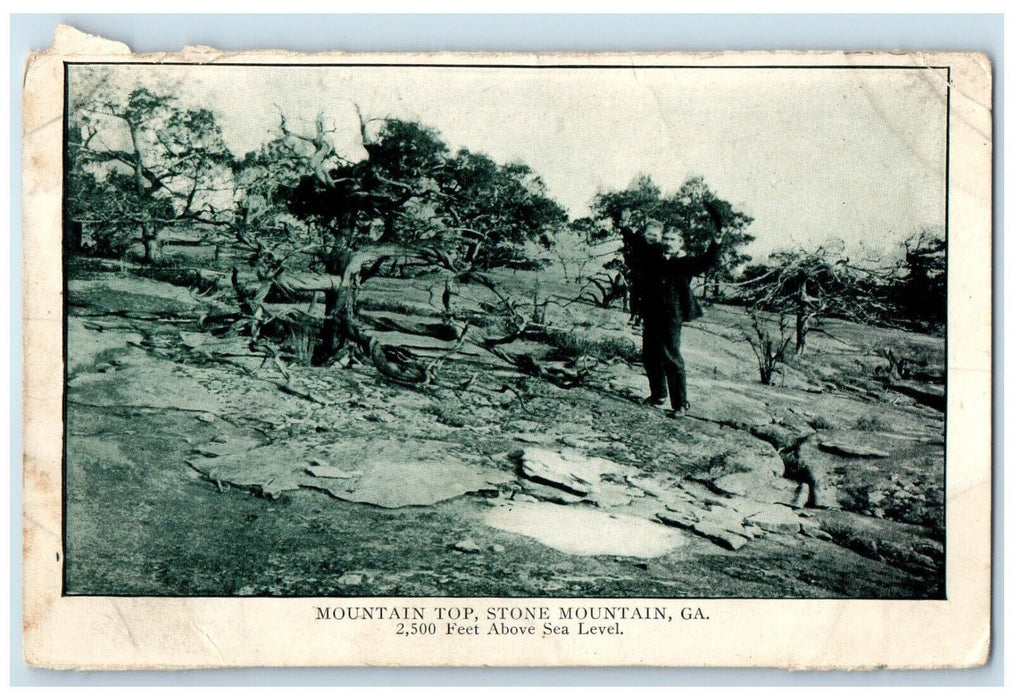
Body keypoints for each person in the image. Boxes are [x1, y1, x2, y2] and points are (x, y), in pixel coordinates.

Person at [625, 216, 723, 416]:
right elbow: (638, 242)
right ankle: (658, 395)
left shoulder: (686, 263)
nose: (668, 242)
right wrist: (624, 227)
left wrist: (716, 242)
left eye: (673, 240)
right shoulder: (655, 255)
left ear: (680, 243)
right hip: (651, 313)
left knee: (671, 358)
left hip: (671, 316)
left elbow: (707, 260)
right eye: (666, 238)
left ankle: (680, 405)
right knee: (650, 356)